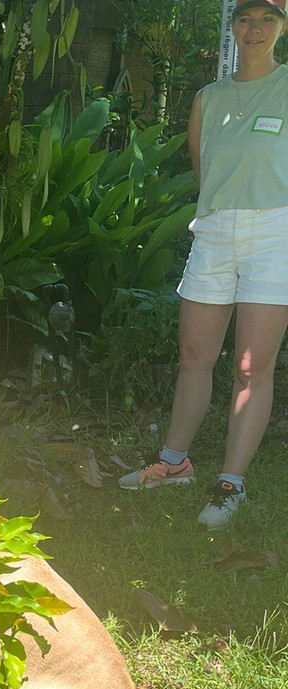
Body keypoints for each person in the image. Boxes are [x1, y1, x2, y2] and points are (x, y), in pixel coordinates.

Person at [118, 0, 288, 530]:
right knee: (193, 355)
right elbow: (202, 167)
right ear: (232, 27)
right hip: (214, 230)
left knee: (250, 369)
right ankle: (175, 463)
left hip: (275, 233)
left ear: (283, 25)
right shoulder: (208, 98)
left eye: (267, 19)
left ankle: (229, 484)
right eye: (245, 19)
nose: (254, 29)